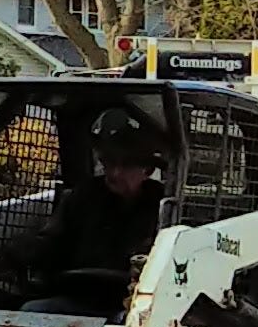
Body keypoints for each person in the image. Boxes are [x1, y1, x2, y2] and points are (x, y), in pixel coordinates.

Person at [29, 116, 168, 315]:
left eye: (126, 165)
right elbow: (51, 242)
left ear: (148, 169)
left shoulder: (163, 207)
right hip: (79, 297)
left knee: (133, 322)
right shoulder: (82, 198)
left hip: (132, 304)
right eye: (110, 162)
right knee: (32, 311)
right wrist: (29, 250)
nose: (115, 173)